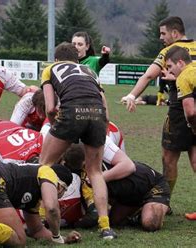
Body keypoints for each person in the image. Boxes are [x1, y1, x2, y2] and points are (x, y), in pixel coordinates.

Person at [38, 42, 116, 239]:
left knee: (44, 165)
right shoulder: (89, 70)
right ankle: (105, 227)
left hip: (71, 112)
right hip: (98, 114)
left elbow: (50, 108)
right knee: (95, 172)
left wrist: (57, 129)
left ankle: (39, 219)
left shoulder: (50, 69)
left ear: (56, 60)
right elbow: (105, 108)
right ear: (76, 60)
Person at [122, 16, 196, 197]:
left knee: (169, 159)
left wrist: (132, 95)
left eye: (163, 33)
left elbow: (148, 76)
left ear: (175, 33)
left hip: (180, 111)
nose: (161, 38)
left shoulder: (170, 51)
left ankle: (165, 200)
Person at [64, 144, 170, 231]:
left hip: (152, 186)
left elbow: (130, 167)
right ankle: (139, 212)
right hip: (129, 197)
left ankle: (155, 207)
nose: (85, 170)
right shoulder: (81, 174)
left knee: (150, 224)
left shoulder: (104, 157)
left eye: (84, 166)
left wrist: (100, 178)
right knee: (114, 222)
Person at [163, 46, 196, 220]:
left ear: (181, 62)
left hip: (182, 120)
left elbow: (190, 112)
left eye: (170, 66)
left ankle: (163, 202)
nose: (169, 70)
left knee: (169, 160)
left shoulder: (184, 76)